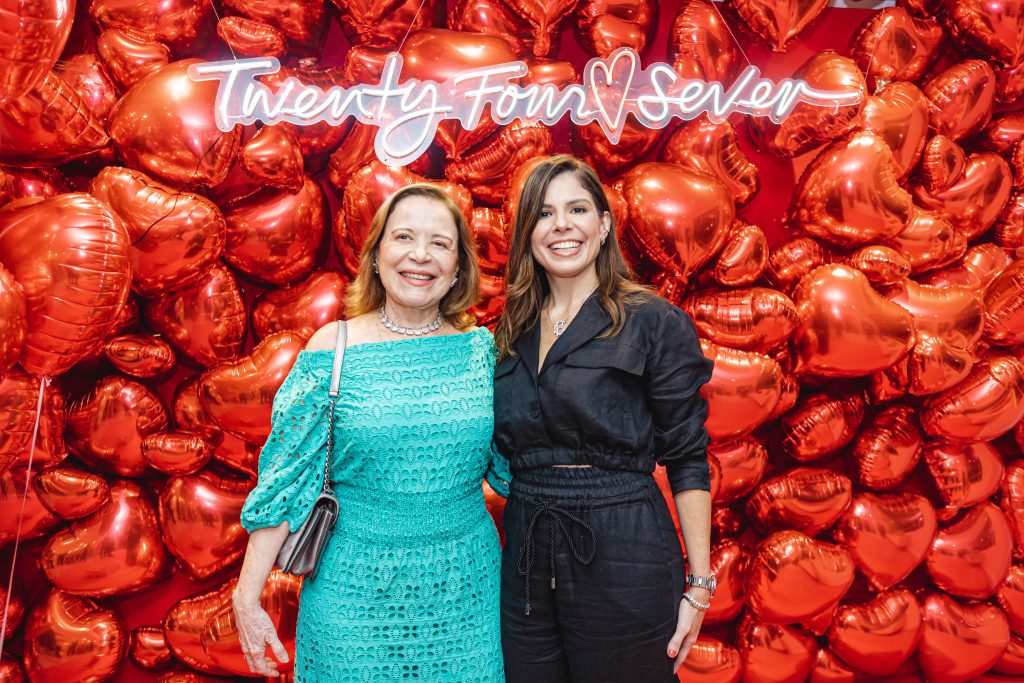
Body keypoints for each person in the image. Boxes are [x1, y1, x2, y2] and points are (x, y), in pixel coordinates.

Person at [232, 183, 510, 681]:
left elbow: (517, 465)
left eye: (440, 243)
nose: (420, 255)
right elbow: (286, 483)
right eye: (403, 237)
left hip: (466, 589)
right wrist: (247, 596)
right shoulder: (331, 349)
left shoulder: (481, 352)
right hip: (352, 593)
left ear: (458, 268)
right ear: (377, 255)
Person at [493, 155, 715, 682]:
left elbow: (687, 459)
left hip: (625, 546)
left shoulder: (652, 322)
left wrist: (700, 585)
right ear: (529, 233)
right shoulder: (506, 333)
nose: (562, 225)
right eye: (544, 214)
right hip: (526, 549)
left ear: (604, 224)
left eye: (577, 208)